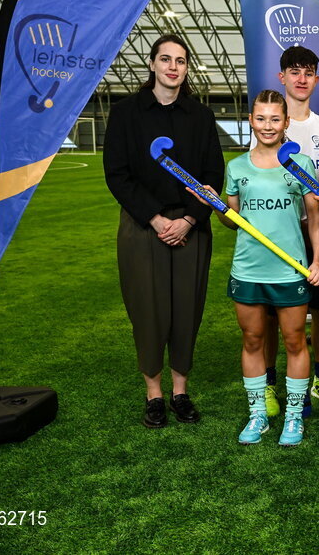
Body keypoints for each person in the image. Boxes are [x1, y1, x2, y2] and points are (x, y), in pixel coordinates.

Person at [103, 34, 224, 429]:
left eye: (181, 61)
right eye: (166, 59)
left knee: (186, 308)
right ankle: (153, 393)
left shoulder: (201, 117)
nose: (174, 66)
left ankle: (180, 390)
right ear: (152, 63)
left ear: (187, 68)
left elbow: (212, 176)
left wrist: (188, 219)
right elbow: (117, 175)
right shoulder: (125, 113)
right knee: (148, 309)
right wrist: (155, 219)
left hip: (192, 226)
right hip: (143, 227)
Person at [196, 91, 319, 446]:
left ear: (286, 123)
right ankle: (258, 416)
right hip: (249, 270)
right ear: (251, 121)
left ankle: (294, 418)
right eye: (261, 118)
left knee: (295, 342)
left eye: (274, 119)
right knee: (253, 340)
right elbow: (232, 222)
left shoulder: (300, 164)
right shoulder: (236, 167)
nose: (267, 126)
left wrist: (317, 261)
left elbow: (315, 219)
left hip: (290, 270)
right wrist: (217, 205)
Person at [260, 46, 319, 414]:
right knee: (270, 314)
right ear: (282, 77)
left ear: (316, 78)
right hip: (277, 240)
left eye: (308, 72)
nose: (301, 78)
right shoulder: (269, 123)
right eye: (293, 71)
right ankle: (268, 384)